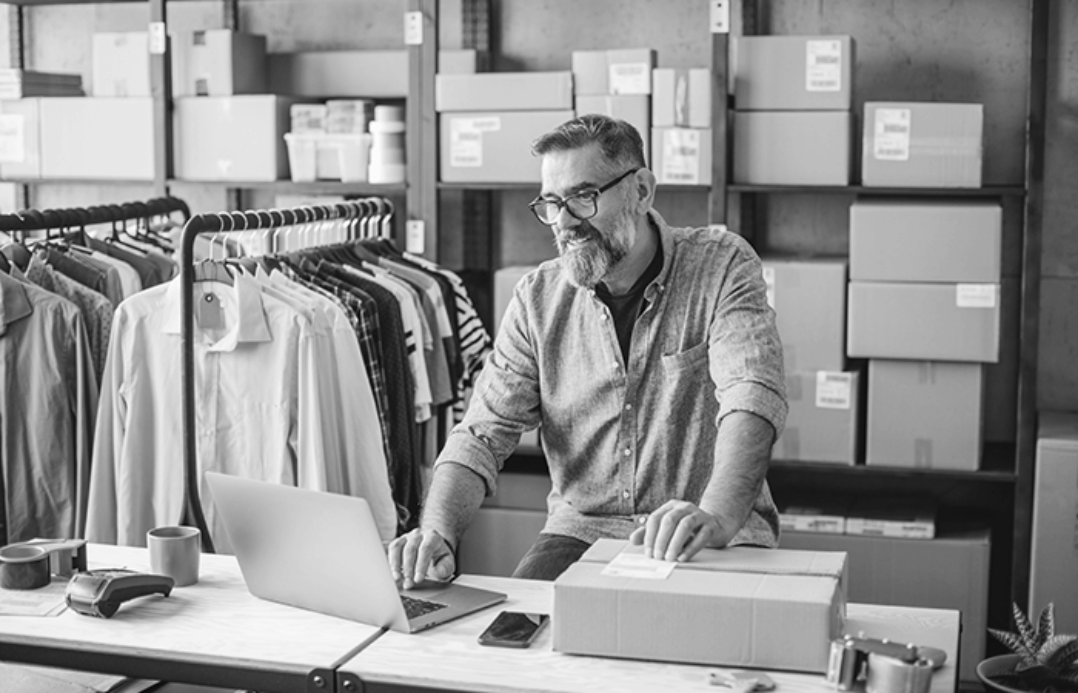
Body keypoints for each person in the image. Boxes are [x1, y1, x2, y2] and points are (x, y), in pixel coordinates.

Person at [389, 114, 786, 588]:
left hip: (707, 531)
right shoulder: (537, 299)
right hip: (582, 533)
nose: (564, 222)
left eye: (583, 197)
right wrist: (437, 532)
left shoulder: (721, 266)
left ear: (641, 191)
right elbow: (481, 434)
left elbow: (750, 396)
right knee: (519, 631)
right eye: (551, 203)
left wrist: (718, 514)